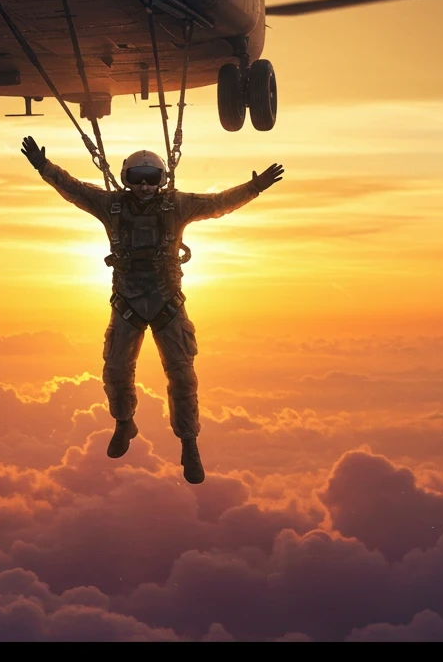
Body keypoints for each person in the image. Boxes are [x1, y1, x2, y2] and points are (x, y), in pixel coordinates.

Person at [21, 136, 284, 484]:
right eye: (137, 178)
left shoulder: (177, 206)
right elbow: (75, 190)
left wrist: (255, 187)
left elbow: (219, 203)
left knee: (182, 378)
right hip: (127, 303)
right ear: (125, 179)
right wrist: (44, 167)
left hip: (167, 304)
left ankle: (189, 444)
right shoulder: (111, 205)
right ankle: (124, 422)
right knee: (115, 370)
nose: (144, 186)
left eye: (152, 179)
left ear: (162, 181)